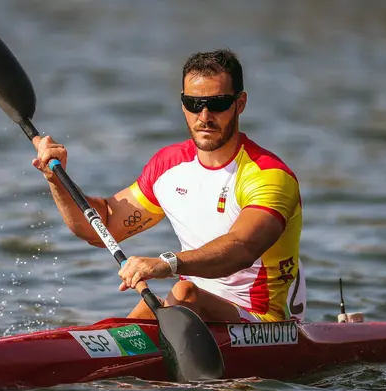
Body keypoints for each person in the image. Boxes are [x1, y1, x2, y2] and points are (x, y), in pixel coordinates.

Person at [31, 49, 306, 323]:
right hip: (190, 312)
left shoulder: (268, 175)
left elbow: (241, 249)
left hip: (263, 323)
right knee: (129, 320)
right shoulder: (168, 166)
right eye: (194, 103)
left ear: (240, 103)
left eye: (218, 104)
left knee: (185, 291)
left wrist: (167, 263)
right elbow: (102, 225)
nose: (205, 116)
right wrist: (56, 179)